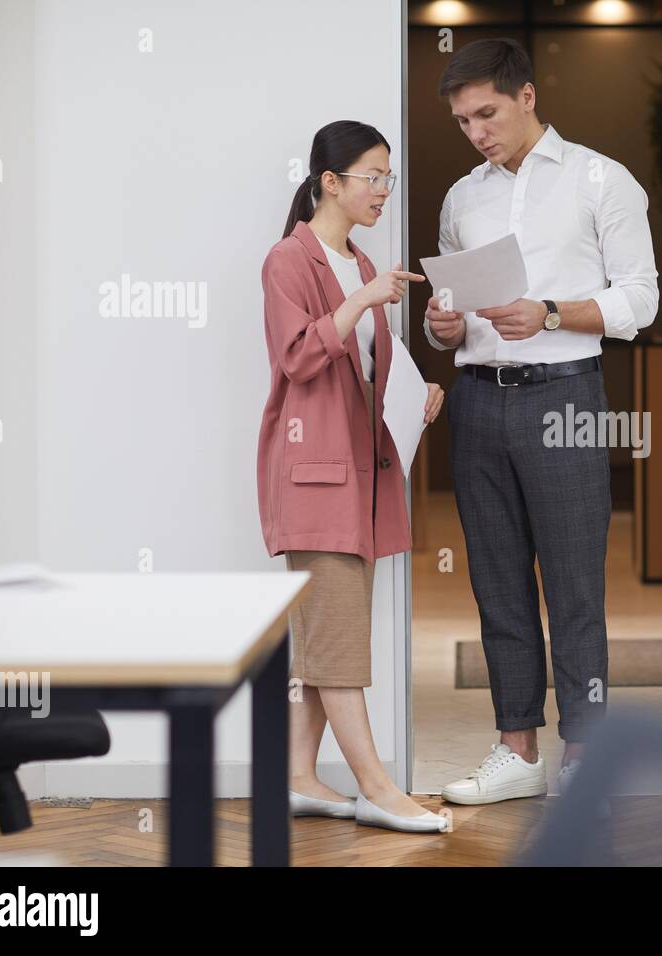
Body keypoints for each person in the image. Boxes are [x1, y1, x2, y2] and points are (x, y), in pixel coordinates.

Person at [424, 40, 659, 804]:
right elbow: (449, 322)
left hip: (567, 399)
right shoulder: (463, 198)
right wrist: (444, 328)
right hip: (479, 401)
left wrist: (552, 311)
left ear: (526, 96)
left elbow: (640, 301)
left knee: (574, 587)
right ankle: (516, 749)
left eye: (486, 113)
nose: (476, 132)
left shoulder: (601, 180)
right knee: (496, 584)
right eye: (463, 121)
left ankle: (584, 754)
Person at [257, 120, 447, 833]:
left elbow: (372, 366)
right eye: (374, 177)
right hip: (312, 478)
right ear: (328, 182)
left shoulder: (363, 265)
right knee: (336, 643)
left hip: (358, 479)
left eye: (388, 178)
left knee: (323, 636)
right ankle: (377, 788)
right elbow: (299, 358)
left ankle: (297, 777)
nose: (384, 192)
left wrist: (417, 389)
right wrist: (362, 303)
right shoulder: (289, 261)